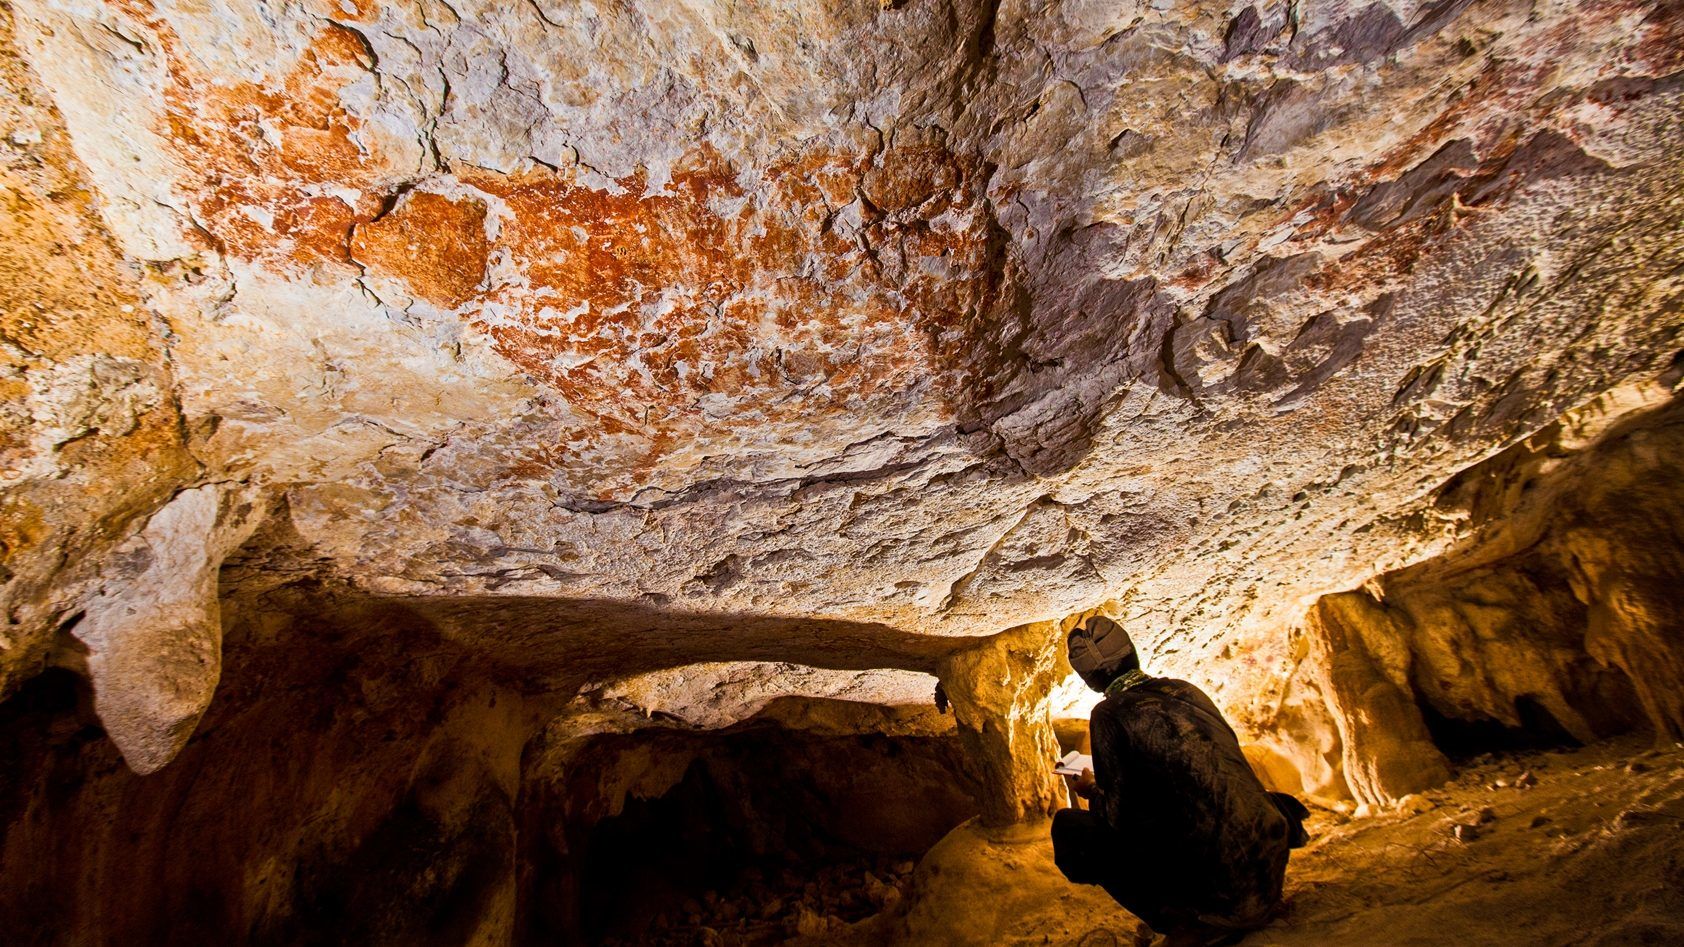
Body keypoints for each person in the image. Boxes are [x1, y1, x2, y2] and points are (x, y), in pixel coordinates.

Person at [1051, 617, 1309, 944]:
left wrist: (1090, 791)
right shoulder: (1185, 689)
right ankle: (1243, 900)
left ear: (1090, 679)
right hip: (1266, 878)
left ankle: (1188, 923)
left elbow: (1119, 818)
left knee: (1072, 830)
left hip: (1223, 900)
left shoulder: (1109, 715)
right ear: (1132, 653)